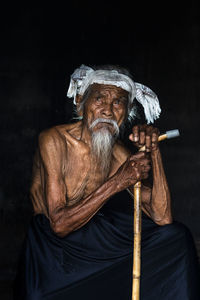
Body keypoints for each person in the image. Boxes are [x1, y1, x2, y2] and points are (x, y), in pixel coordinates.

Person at [14, 64, 200, 300]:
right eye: (99, 99)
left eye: (118, 102)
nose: (108, 111)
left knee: (176, 237)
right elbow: (58, 224)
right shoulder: (54, 141)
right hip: (53, 248)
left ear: (127, 111)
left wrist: (154, 150)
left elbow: (162, 217)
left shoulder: (117, 153)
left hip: (92, 238)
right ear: (81, 101)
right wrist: (119, 180)